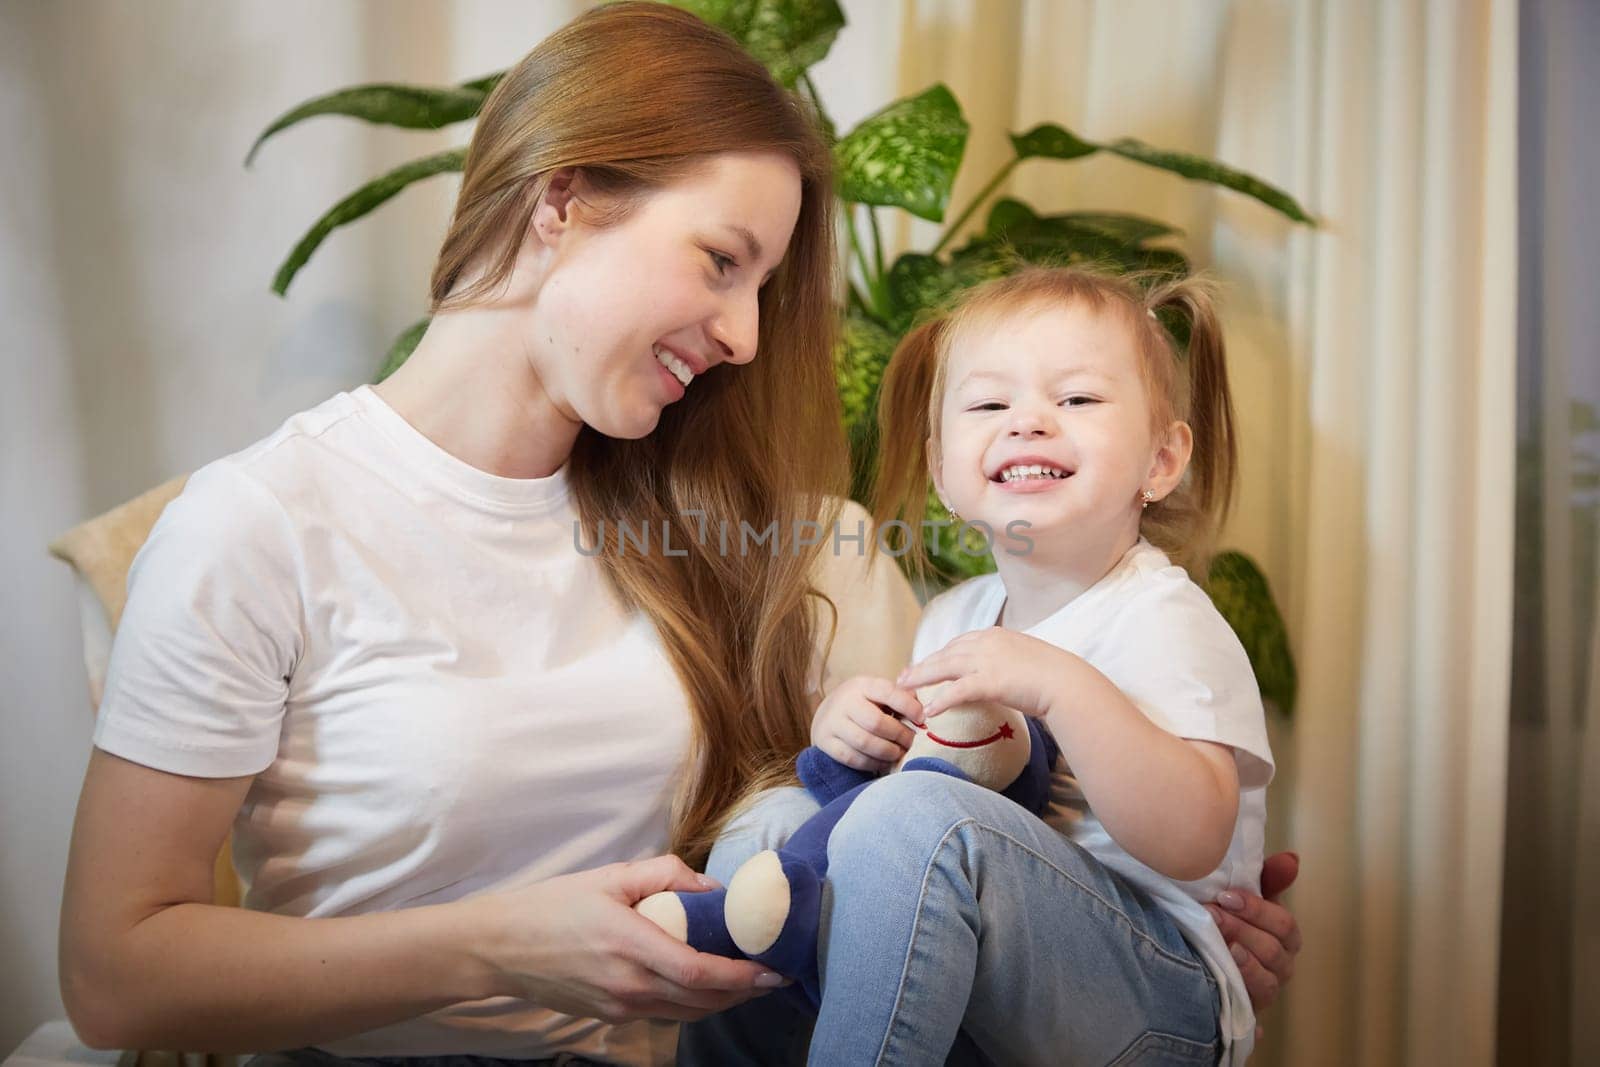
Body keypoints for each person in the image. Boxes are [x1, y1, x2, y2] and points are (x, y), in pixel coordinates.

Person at [57, 5, 1299, 1065]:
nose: (747, 337)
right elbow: (117, 974)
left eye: (760, 287)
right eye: (721, 262)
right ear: (563, 200)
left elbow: (886, 828)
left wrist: (1144, 913)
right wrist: (496, 943)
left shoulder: (725, 526)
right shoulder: (260, 523)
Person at [679, 267, 1284, 1066]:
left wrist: (1061, 686)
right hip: (994, 981)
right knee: (770, 826)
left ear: (1161, 461)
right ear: (942, 470)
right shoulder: (954, 616)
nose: (1028, 422)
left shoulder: (1165, 621)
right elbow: (930, 779)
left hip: (1157, 995)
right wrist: (854, 732)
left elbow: (1193, 837)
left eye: (1077, 400)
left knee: (915, 818)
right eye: (990, 405)